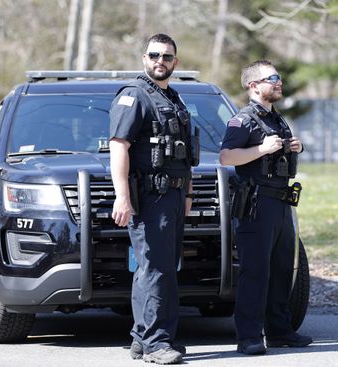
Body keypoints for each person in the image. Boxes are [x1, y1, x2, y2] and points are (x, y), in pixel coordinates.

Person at [109, 33, 197, 365]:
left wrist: (187, 193)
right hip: (149, 197)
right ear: (144, 58)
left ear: (176, 62)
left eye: (167, 56)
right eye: (154, 55)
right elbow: (119, 146)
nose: (160, 61)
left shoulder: (173, 98)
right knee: (155, 269)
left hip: (173, 196)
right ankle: (156, 343)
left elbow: (185, 154)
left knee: (161, 269)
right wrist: (122, 197)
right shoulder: (134, 97)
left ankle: (142, 337)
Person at [219, 60, 312, 355]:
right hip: (256, 205)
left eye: (279, 78)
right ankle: (249, 337)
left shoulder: (278, 119)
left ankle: (280, 331)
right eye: (271, 78)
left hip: (281, 201)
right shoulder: (242, 120)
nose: (278, 82)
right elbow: (226, 157)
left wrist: (292, 146)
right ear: (253, 85)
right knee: (255, 272)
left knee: (283, 269)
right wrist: (261, 149)